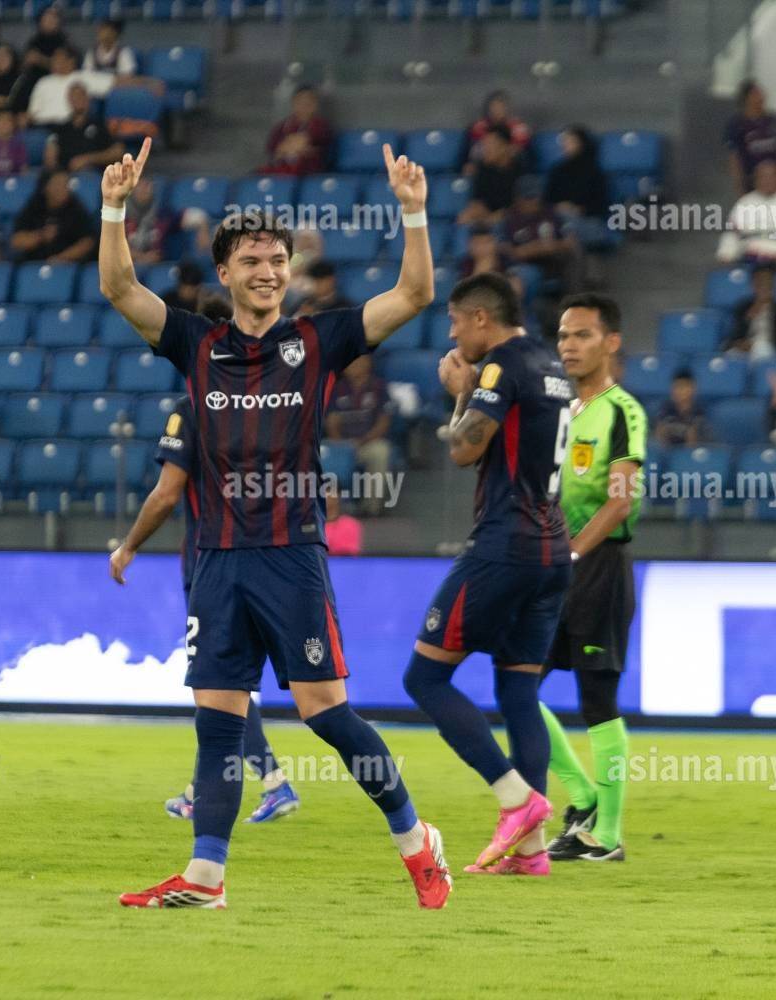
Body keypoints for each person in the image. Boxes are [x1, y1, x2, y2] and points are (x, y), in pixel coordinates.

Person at [104, 138, 451, 910]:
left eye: (277, 259)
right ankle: (205, 877)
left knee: (327, 714)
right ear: (225, 273)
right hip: (217, 559)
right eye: (252, 259)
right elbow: (120, 287)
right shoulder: (196, 344)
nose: (267, 270)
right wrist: (114, 208)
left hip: (290, 554)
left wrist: (414, 214)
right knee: (217, 724)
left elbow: (416, 293)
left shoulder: (318, 340)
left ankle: (414, 838)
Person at [403, 273, 571, 876]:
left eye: (455, 322)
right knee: (518, 691)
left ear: (480, 318)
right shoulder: (551, 364)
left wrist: (461, 394)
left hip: (506, 546)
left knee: (425, 678)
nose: (452, 335)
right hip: (553, 551)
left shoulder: (502, 365)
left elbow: (464, 448)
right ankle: (530, 851)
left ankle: (516, 799)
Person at [110, 395, 303, 825]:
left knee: (217, 682)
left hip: (212, 564)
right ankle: (201, 790)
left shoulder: (192, 407)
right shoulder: (271, 399)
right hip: (271, 559)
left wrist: (128, 546)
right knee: (225, 682)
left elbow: (166, 494)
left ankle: (273, 781)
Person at [534, 293, 647, 864]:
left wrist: (574, 553)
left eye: (582, 335)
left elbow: (620, 500)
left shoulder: (622, 411)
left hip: (598, 566)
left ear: (611, 342)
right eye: (563, 335)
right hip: (555, 562)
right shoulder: (561, 408)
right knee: (516, 683)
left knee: (597, 697)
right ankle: (582, 801)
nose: (569, 346)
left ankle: (608, 835)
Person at [326, 355, 393, 516]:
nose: (354, 365)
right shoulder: (336, 389)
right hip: (340, 444)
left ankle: (371, 508)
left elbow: (384, 422)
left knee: (381, 451)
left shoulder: (379, 387)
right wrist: (342, 445)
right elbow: (331, 422)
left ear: (368, 363)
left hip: (368, 443)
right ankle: (327, 509)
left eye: (358, 361)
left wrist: (362, 441)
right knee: (319, 452)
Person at [9, 169, 96, 262]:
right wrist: (41, 236)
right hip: (35, 262)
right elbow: (16, 241)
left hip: (68, 264)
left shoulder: (76, 207)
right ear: (46, 187)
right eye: (58, 184)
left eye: (66, 184)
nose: (64, 188)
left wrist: (61, 258)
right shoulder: (34, 205)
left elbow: (88, 242)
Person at [43, 81, 123, 174]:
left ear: (88, 99)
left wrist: (88, 159)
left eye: (81, 95)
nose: (78, 99)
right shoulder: (61, 129)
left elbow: (118, 151)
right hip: (65, 174)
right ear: (69, 100)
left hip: (93, 174)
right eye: (74, 96)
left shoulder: (100, 125)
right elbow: (50, 158)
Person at [723, 80, 776, 194]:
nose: (762, 96)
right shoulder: (737, 125)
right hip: (751, 182)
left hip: (774, 180)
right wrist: (739, 185)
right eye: (756, 93)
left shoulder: (769, 121)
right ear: (747, 98)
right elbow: (734, 159)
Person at [457, 125, 522, 226]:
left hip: (513, 218)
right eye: (484, 145)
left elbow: (524, 204)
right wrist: (480, 213)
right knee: (464, 218)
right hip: (488, 215)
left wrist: (501, 215)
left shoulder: (520, 170)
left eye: (490, 145)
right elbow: (478, 201)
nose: (485, 150)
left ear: (504, 147)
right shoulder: (483, 169)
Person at [26, 47, 108, 125]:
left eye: (58, 58)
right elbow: (32, 112)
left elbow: (112, 82)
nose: (54, 61)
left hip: (69, 125)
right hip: (42, 125)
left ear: (71, 61)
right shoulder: (43, 82)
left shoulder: (83, 77)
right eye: (54, 58)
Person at [261, 85, 330, 176]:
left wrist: (288, 147)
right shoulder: (281, 127)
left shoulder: (321, 126)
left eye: (308, 102)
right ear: (293, 103)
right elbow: (275, 152)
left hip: (308, 174)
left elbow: (302, 144)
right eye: (300, 102)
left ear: (315, 105)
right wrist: (293, 148)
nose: (304, 106)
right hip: (280, 172)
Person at [544, 126, 609, 221]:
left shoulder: (595, 172)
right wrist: (557, 207)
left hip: (588, 220)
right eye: (564, 141)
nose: (565, 145)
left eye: (570, 141)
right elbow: (547, 200)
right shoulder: (557, 170)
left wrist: (580, 209)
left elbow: (601, 204)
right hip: (559, 218)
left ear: (581, 144)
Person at [726, 265, 776, 358]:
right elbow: (734, 336)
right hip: (745, 349)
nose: (764, 285)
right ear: (753, 285)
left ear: (774, 285)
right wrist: (747, 319)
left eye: (768, 282)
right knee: (730, 355)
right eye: (760, 282)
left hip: (771, 351)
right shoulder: (743, 307)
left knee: (761, 347)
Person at [463, 90, 531, 168]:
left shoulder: (519, 128)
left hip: (511, 166)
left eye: (500, 107)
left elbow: (522, 153)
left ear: (506, 109)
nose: (497, 111)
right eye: (494, 107)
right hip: (483, 165)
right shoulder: (478, 127)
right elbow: (472, 152)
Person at [654, 369, 710, 446]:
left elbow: (702, 443)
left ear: (694, 389)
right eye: (677, 387)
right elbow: (657, 439)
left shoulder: (701, 412)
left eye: (685, 387)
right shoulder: (664, 410)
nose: (681, 392)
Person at [323, 492, 362, 557]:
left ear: (337, 499)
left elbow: (348, 551)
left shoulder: (350, 524)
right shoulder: (312, 524)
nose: (327, 500)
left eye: (330, 497)